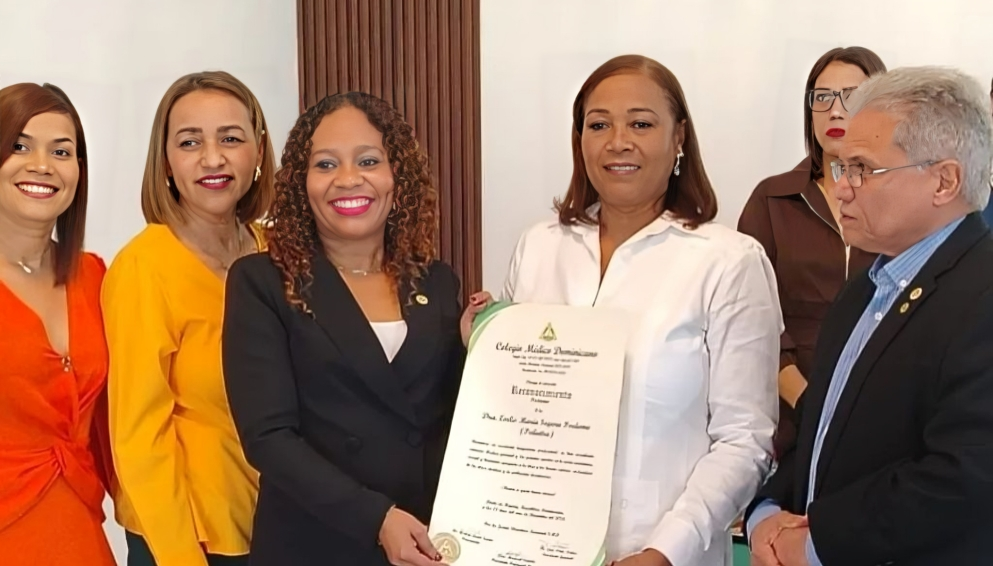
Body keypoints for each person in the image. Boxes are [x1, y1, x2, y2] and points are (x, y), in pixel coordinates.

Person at [495, 54, 781, 566]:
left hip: (661, 554)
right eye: (598, 124)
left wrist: (664, 550)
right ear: (579, 140)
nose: (618, 142)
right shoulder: (537, 247)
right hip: (532, 546)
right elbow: (513, 409)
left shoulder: (729, 262)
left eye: (641, 124)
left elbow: (745, 440)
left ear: (679, 138)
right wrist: (483, 341)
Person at [746, 67, 993, 566]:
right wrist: (767, 511)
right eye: (842, 168)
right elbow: (819, 433)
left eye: (862, 169)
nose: (842, 189)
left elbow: (966, 473)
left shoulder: (982, 291)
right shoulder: (863, 291)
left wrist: (817, 543)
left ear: (945, 181)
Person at [221, 91, 470, 566]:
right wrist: (377, 519)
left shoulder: (436, 282)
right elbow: (268, 438)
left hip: (420, 545)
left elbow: (453, 421)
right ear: (302, 183)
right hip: (312, 545)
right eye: (326, 164)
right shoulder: (261, 281)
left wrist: (478, 346)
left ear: (397, 176)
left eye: (369, 161)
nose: (349, 179)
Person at [102, 71, 276, 566]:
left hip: (275, 526)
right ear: (165, 161)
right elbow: (138, 435)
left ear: (258, 152)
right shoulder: (144, 267)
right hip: (189, 541)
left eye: (231, 138)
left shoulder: (274, 252)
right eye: (190, 142)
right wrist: (180, 555)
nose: (213, 158)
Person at [737, 47, 886, 455]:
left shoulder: (901, 200)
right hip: (790, 413)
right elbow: (750, 319)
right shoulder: (773, 199)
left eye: (851, 96)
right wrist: (805, 401)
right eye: (822, 97)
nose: (835, 111)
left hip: (884, 408)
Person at [0, 82, 115, 565]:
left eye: (61, 151)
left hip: (81, 533)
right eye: (20, 146)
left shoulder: (95, 277)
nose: (42, 165)